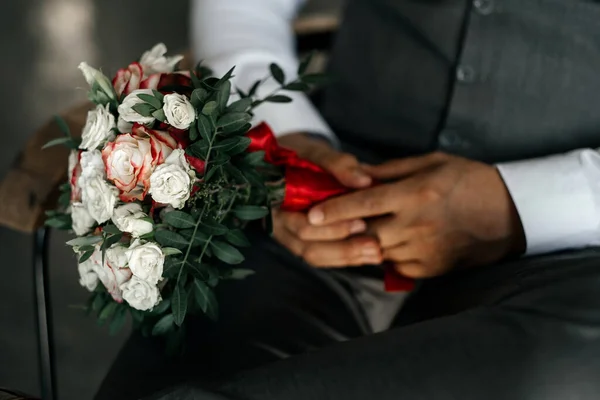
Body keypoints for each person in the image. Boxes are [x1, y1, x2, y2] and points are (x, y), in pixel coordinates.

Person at [96, 0, 600, 399]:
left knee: (556, 372)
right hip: (329, 204)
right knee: (181, 357)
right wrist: (286, 136)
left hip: (568, 249)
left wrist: (513, 205)